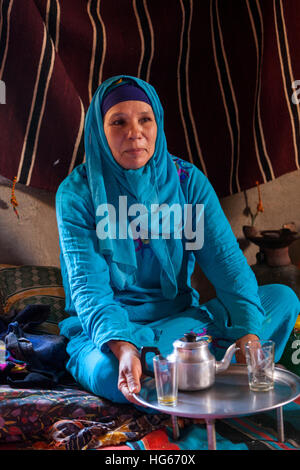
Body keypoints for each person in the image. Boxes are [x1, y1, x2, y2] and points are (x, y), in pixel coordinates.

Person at [56, 75, 300, 406]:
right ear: (100, 132)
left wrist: (248, 334)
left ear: (158, 124)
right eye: (118, 122)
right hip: (109, 334)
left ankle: (179, 368)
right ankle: (197, 369)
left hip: (183, 324)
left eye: (145, 119)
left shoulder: (187, 183)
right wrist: (124, 347)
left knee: (281, 299)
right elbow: (89, 291)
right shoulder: (78, 194)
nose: (135, 132)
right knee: (109, 374)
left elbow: (228, 264)